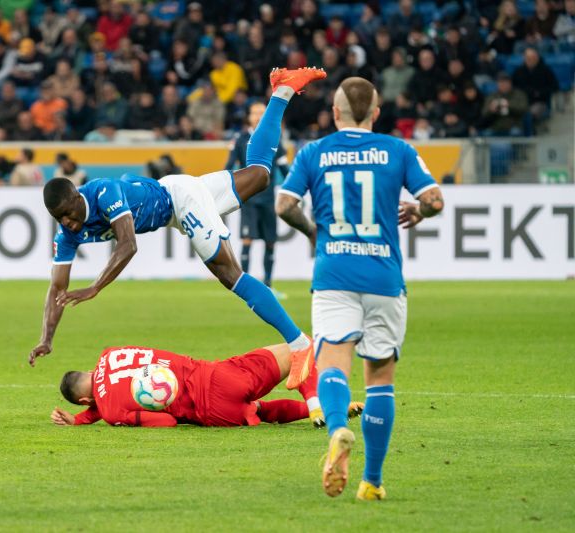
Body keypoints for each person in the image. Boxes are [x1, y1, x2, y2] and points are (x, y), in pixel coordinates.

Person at [29, 67, 328, 394]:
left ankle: (299, 344)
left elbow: (128, 245)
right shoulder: (67, 233)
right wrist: (46, 337)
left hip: (181, 200)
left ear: (76, 196)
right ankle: (282, 92)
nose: (68, 224)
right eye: (60, 219)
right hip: (176, 194)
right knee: (258, 175)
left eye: (69, 215)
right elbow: (56, 289)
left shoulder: (102, 192)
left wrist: (95, 287)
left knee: (229, 274)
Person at [276, 77, 444, 501]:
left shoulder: (314, 152)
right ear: (376, 113)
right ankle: (372, 481)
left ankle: (337, 432)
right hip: (384, 279)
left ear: (334, 114)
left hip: (334, 275)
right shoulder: (398, 150)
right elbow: (435, 201)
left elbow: (284, 205)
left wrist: (315, 232)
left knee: (332, 364)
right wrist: (420, 211)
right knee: (380, 379)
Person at [52, 343, 364, 428]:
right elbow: (110, 387)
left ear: (83, 402)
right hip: (216, 377)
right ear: (89, 369)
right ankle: (315, 404)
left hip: (214, 415)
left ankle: (330, 409)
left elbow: (167, 421)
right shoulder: (109, 354)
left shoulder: (108, 410)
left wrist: (84, 419)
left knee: (261, 411)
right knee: (299, 346)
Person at [225, 102, 310, 301]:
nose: (258, 117)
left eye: (262, 113)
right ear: (249, 116)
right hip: (247, 198)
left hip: (268, 199)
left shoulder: (274, 139)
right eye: (255, 113)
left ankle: (269, 286)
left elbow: (283, 169)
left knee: (270, 242)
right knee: (247, 241)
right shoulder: (240, 139)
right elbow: (229, 167)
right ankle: (243, 288)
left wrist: (298, 188)